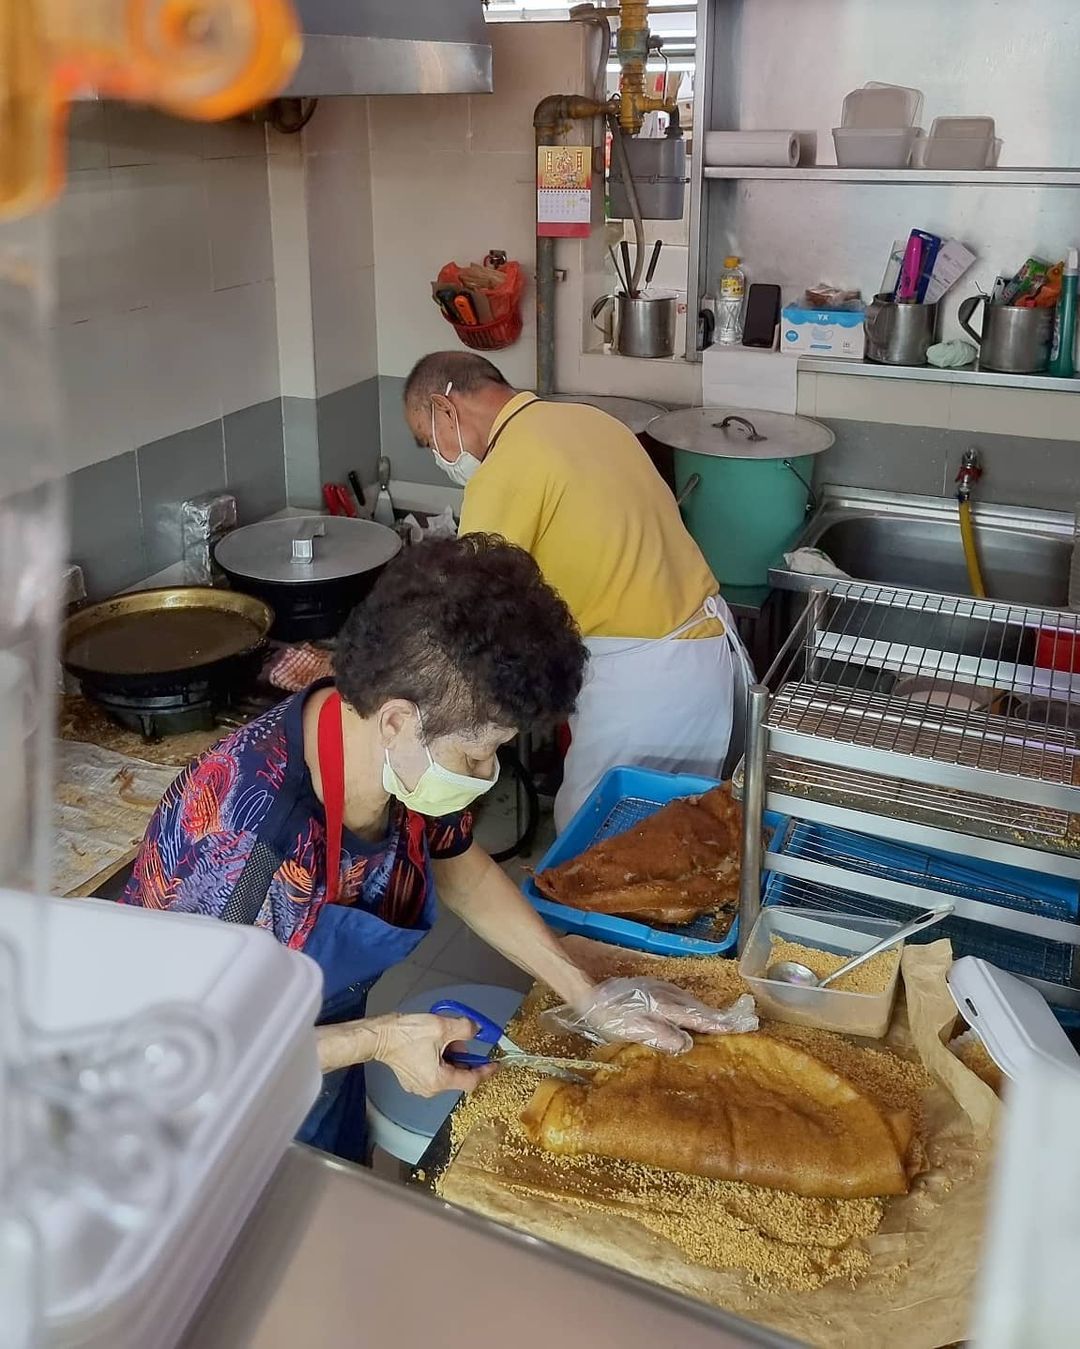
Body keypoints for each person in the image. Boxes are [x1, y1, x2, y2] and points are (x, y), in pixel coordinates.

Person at [121, 536, 733, 1163]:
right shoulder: (245, 842)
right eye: (476, 754)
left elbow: (460, 869)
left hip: (324, 1050)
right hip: (210, 1108)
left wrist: (587, 993)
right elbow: (197, 1057)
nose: (486, 774)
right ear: (395, 721)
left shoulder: (391, 758)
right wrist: (381, 1039)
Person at [402, 351, 752, 831]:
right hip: (707, 657)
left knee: (598, 849)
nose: (438, 455)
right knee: (680, 840)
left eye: (428, 441)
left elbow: (468, 610)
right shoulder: (591, 421)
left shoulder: (506, 467)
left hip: (644, 686)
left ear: (447, 410)